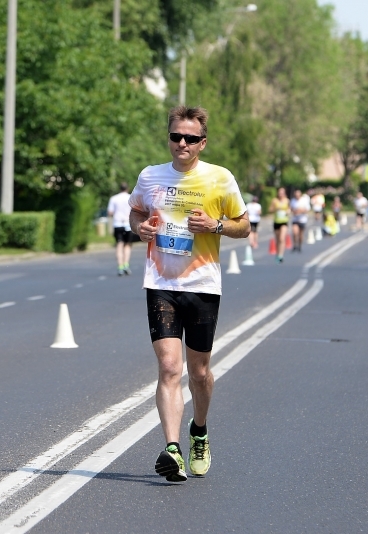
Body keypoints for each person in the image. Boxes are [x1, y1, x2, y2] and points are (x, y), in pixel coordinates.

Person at [129, 106, 249, 482]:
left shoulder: (220, 178)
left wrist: (215, 225)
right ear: (169, 138)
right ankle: (172, 449)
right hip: (160, 284)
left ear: (202, 143)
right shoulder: (150, 176)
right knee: (169, 367)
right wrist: (140, 229)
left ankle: (199, 430)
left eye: (190, 138)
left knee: (198, 373)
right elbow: (135, 213)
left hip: (202, 286)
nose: (182, 143)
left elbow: (244, 226)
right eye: (176, 136)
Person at [107, 182, 135, 275]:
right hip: (128, 224)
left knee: (119, 245)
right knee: (127, 245)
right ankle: (126, 265)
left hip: (118, 224)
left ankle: (120, 266)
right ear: (128, 188)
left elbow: (110, 212)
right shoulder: (131, 197)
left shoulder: (114, 198)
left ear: (120, 188)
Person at [269, 187, 290, 263]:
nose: (281, 194)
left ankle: (281, 255)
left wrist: (288, 211)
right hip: (276, 222)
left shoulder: (287, 200)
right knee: (277, 240)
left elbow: (289, 209)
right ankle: (277, 254)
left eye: (282, 193)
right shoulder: (275, 200)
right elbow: (270, 210)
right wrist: (275, 208)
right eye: (280, 192)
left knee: (282, 238)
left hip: (284, 222)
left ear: (284, 193)